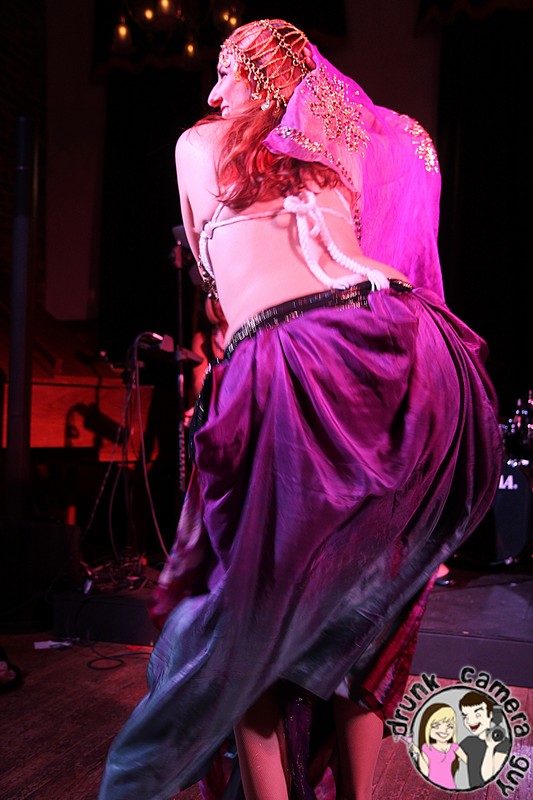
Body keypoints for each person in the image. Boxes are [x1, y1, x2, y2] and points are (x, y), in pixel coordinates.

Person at [99, 19, 501, 800]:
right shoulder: (339, 165)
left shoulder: (198, 143)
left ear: (265, 76)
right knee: (364, 611)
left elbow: (216, 276)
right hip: (413, 348)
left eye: (227, 70)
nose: (213, 90)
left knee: (245, 615)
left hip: (294, 359)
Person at [459, 691, 510, 788]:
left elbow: (488, 778)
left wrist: (490, 747)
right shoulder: (468, 742)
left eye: (478, 715)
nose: (470, 721)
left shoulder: (503, 743)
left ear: (490, 715)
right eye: (465, 716)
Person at [410, 703, 467, 790]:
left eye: (450, 726)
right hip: (431, 787)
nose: (444, 730)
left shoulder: (454, 747)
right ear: (427, 727)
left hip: (450, 786)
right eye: (436, 726)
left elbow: (469, 762)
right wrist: (417, 752)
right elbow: (425, 772)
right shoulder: (427, 748)